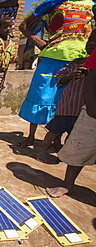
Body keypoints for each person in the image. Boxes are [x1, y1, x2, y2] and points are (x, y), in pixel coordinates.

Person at [17, 0, 94, 148]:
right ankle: (31, 136)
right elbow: (23, 26)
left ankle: (56, 140)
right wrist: (35, 39)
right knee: (39, 97)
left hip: (78, 61)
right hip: (51, 59)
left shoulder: (92, 4)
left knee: (65, 103)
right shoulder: (54, 2)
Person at [37, 29, 96, 163]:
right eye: (90, 39)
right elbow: (60, 77)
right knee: (54, 131)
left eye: (95, 41)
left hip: (83, 112)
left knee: (73, 135)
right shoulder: (76, 63)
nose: (91, 43)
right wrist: (72, 75)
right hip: (68, 107)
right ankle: (42, 151)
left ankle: (62, 151)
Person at [45, 48, 96, 198]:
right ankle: (68, 183)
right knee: (79, 145)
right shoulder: (76, 65)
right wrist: (92, 108)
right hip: (86, 111)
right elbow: (61, 79)